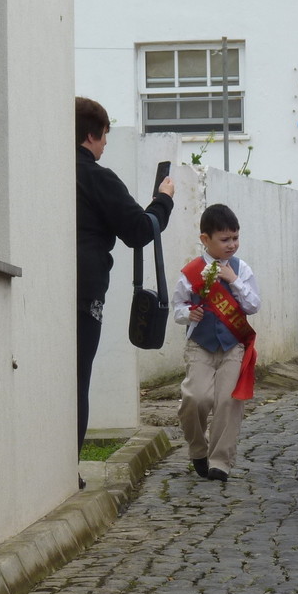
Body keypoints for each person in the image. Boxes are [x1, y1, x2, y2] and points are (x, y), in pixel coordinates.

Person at [76, 96, 175, 456]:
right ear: (91, 135)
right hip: (84, 293)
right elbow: (138, 230)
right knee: (76, 383)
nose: (104, 144)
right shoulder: (96, 176)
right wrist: (164, 200)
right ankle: (66, 470)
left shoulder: (49, 168)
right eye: (103, 136)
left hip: (42, 288)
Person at [172, 203, 260, 483]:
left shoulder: (241, 269)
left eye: (235, 238)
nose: (232, 244)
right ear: (205, 239)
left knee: (227, 402)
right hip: (200, 345)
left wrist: (234, 281)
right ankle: (198, 448)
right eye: (225, 239)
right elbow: (177, 309)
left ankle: (220, 460)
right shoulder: (191, 272)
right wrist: (189, 313)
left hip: (233, 346)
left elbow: (253, 305)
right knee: (196, 398)